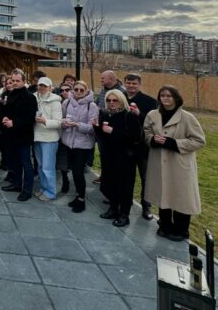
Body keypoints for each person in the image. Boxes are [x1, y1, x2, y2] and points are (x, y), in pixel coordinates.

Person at [144, 86, 206, 241]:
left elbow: (199, 140)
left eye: (169, 96)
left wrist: (172, 143)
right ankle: (164, 225)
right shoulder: (152, 115)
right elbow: (146, 132)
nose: (165, 98)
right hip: (158, 161)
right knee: (162, 193)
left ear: (176, 98)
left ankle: (181, 230)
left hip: (179, 163)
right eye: (162, 95)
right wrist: (152, 139)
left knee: (181, 197)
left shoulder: (187, 117)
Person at [93, 89, 142, 227]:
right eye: (108, 100)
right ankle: (113, 208)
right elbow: (103, 135)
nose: (111, 103)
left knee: (125, 186)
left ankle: (124, 215)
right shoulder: (106, 114)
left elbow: (136, 137)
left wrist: (114, 131)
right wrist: (96, 127)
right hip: (109, 155)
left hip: (125, 157)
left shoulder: (129, 115)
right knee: (110, 183)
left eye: (115, 100)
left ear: (121, 101)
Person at [123, 73, 158, 220]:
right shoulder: (120, 98)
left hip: (143, 148)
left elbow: (154, 124)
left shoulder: (149, 101)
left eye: (134, 83)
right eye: (128, 83)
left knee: (145, 178)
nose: (131, 86)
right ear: (125, 83)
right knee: (126, 178)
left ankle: (146, 206)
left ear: (139, 84)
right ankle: (125, 204)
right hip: (125, 145)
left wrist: (139, 114)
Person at [60, 81, 98, 213]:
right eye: (76, 89)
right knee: (74, 172)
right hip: (68, 143)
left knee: (78, 171)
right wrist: (64, 123)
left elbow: (93, 128)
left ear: (86, 91)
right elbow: (61, 119)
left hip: (83, 144)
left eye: (82, 90)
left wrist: (77, 125)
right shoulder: (67, 103)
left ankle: (81, 200)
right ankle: (77, 196)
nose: (78, 92)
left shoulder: (91, 105)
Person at [0, 69, 38, 202]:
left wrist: (14, 123)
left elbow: (30, 117)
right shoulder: (11, 94)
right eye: (13, 80)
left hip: (23, 136)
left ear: (24, 81)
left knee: (26, 163)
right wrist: (5, 118)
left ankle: (27, 190)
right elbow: (6, 110)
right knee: (15, 161)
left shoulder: (30, 97)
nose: (15, 83)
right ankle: (16, 184)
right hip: (11, 134)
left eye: (17, 81)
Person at [32, 77, 63, 202]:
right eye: (40, 85)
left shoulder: (55, 102)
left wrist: (45, 121)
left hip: (49, 138)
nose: (42, 88)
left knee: (48, 167)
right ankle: (43, 188)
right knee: (40, 166)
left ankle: (50, 192)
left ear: (50, 88)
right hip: (37, 136)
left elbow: (59, 122)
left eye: (45, 86)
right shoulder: (34, 98)